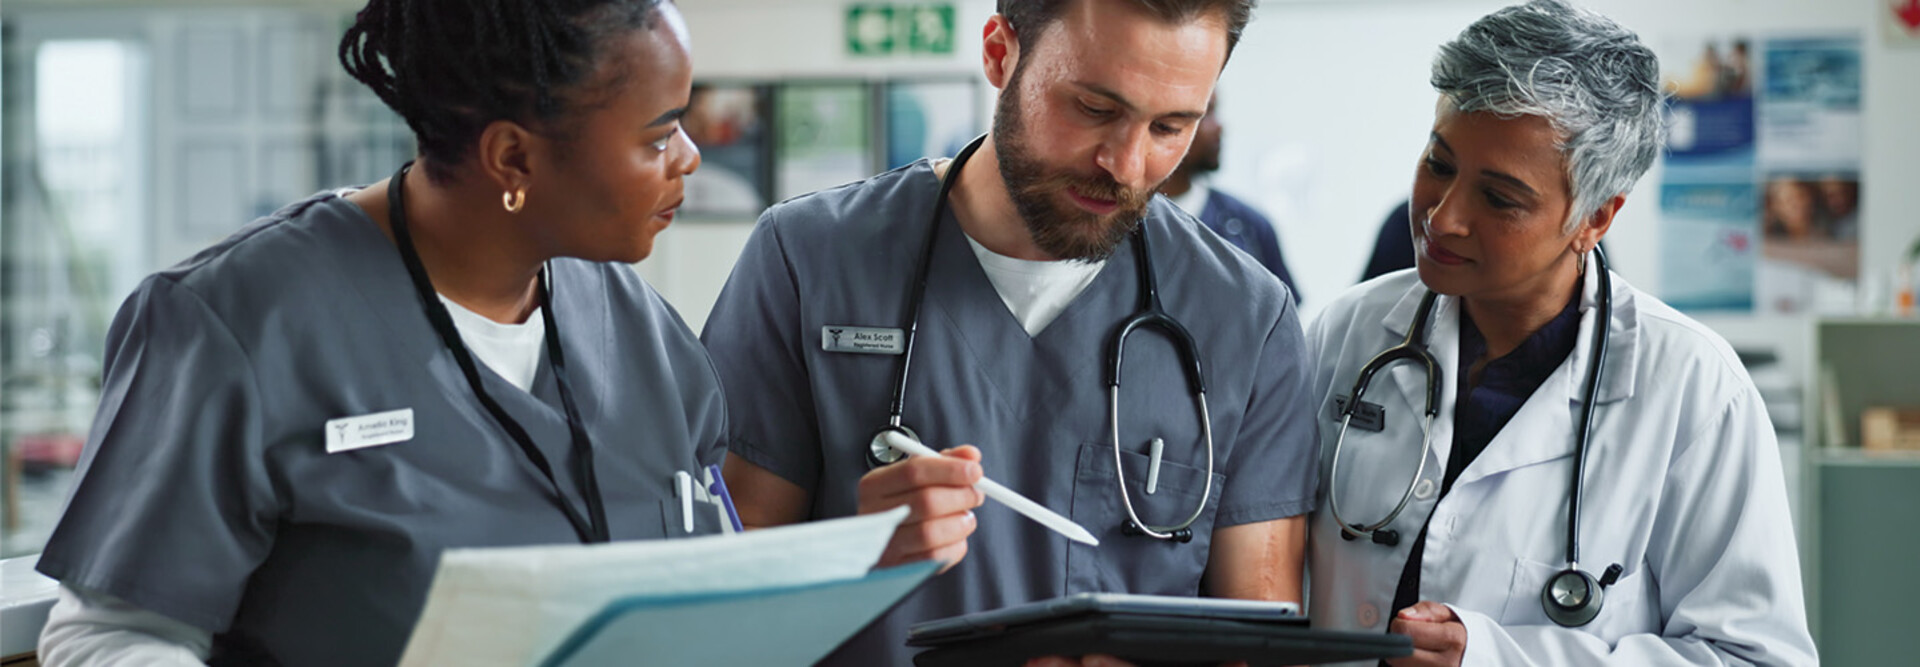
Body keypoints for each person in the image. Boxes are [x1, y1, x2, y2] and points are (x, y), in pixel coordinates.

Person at [33, 1, 717, 665]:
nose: (688, 158)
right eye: (658, 137)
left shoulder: (635, 325)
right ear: (513, 158)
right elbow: (106, 635)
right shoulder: (235, 320)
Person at [701, 1, 1318, 664]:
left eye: (1170, 127)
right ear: (1000, 52)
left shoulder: (1246, 317)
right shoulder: (809, 259)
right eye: (1093, 108)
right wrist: (843, 560)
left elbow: (1257, 643)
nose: (1127, 163)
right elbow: (716, 607)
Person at [1304, 2, 1817, 665]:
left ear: (1595, 219)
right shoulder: (1348, 331)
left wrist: (1498, 657)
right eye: (1438, 161)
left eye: (1499, 198)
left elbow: (1757, 655)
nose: (1445, 215)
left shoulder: (1693, 388)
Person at [1160, 93, 1302, 301]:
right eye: (1206, 113)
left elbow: (1283, 319)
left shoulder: (1249, 226)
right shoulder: (1118, 221)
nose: (1220, 127)